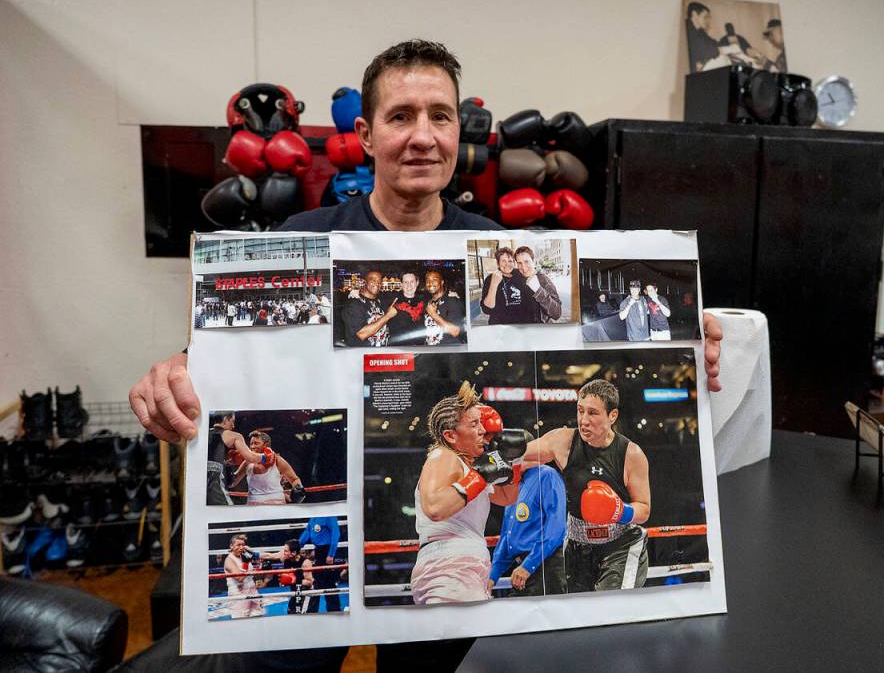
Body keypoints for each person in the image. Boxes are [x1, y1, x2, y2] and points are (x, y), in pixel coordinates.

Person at [129, 38, 722, 670]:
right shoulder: (300, 239)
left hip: (446, 568)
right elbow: (222, 358)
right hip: (323, 537)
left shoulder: (500, 248)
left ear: (457, 130)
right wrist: (175, 373)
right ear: (364, 133)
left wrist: (682, 335)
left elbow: (583, 325)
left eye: (439, 116)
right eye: (401, 116)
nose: (422, 136)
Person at [524, 379, 650, 592]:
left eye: (593, 413)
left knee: (611, 609)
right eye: (580, 411)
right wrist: (493, 455)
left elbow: (644, 509)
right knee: (579, 612)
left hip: (620, 543)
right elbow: (519, 455)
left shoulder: (631, 454)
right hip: (576, 544)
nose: (583, 420)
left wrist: (620, 511)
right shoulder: (562, 441)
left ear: (612, 416)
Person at [412, 383, 518, 604]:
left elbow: (508, 498)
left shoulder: (468, 467)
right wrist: (479, 476)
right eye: (474, 424)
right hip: (449, 568)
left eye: (481, 422)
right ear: (451, 435)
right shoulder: (443, 456)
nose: (483, 430)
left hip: (462, 568)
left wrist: (512, 459)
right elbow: (434, 507)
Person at [486, 463, 567, 596]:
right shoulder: (511, 482)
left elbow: (556, 528)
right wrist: (493, 574)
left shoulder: (546, 475)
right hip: (521, 569)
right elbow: (507, 535)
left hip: (545, 567)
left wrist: (529, 565)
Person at [206, 412, 274, 505]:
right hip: (214, 479)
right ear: (225, 419)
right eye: (232, 421)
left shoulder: (203, 433)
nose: (233, 426)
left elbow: (232, 482)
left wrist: (226, 465)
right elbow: (251, 457)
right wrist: (266, 457)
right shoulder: (234, 435)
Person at [227, 430, 304, 505]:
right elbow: (233, 482)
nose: (252, 446)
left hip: (276, 504)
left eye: (256, 443)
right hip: (254, 506)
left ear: (265, 444)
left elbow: (294, 479)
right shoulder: (248, 462)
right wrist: (227, 466)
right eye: (251, 444)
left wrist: (298, 490)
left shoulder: (276, 460)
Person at [299, 516, 345, 613]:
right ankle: (330, 609)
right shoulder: (313, 518)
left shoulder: (329, 516)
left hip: (327, 551)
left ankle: (329, 609)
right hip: (319, 551)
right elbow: (307, 532)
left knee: (326, 582)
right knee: (321, 581)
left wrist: (331, 554)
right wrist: (297, 545)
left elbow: (335, 534)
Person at [480, 246, 536, 324]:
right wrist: (494, 284)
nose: (507, 264)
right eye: (503, 261)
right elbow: (487, 309)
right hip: (501, 327)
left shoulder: (520, 274)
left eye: (510, 261)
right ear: (498, 263)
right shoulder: (491, 278)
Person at [260, 539, 316, 614]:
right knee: (291, 612)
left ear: (293, 553)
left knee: (303, 617)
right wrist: (253, 553)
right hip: (295, 592)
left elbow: (309, 582)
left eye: (286, 551)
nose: (284, 553)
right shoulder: (285, 558)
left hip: (306, 594)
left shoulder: (305, 563)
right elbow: (269, 555)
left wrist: (293, 579)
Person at [341, 269, 395, 346]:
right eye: (373, 280)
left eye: (380, 281)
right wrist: (387, 316)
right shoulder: (353, 304)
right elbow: (361, 334)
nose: (377, 283)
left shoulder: (381, 301)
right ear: (364, 282)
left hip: (383, 351)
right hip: (362, 353)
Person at [514, 246, 562, 323]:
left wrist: (538, 290)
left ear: (533, 261)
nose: (523, 267)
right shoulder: (518, 277)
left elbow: (557, 313)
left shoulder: (544, 280)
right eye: (519, 263)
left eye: (527, 261)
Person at [222, 534, 264, 618]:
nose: (241, 547)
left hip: (252, 593)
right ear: (231, 546)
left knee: (258, 619)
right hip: (238, 595)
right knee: (241, 624)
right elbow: (239, 578)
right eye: (238, 545)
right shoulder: (229, 560)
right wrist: (246, 563)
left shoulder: (245, 556)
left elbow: (250, 573)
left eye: (243, 545)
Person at [423, 268, 464, 345]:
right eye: (427, 280)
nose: (430, 283)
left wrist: (433, 314)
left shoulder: (452, 300)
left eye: (434, 280)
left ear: (441, 282)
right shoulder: (427, 302)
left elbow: (455, 331)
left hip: (449, 351)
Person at [388, 270, 428, 345]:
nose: (409, 286)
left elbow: (438, 295)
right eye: (405, 282)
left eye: (412, 282)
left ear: (417, 283)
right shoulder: (391, 298)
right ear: (401, 284)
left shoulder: (425, 298)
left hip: (419, 348)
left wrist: (451, 294)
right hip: (398, 349)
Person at [685, 1, 722, 72]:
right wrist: (717, 50)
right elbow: (704, 51)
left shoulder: (700, 31)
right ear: (694, 14)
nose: (708, 21)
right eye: (705, 17)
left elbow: (713, 43)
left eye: (708, 17)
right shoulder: (686, 29)